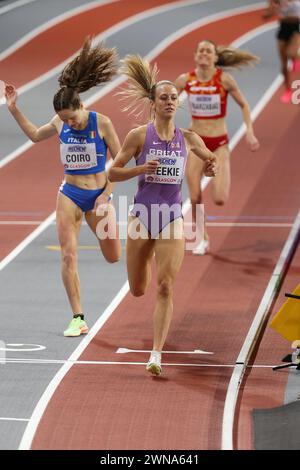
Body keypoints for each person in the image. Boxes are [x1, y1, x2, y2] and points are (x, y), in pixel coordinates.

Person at [108, 55, 217, 376]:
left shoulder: (189, 138)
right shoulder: (138, 136)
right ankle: (151, 338)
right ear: (153, 104)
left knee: (166, 286)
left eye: (174, 98)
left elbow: (211, 159)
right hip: (142, 217)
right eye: (164, 98)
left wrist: (213, 164)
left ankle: (156, 354)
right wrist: (140, 168)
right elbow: (113, 174)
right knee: (138, 288)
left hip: (171, 217)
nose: (170, 102)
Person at [5, 37, 122, 337]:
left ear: (82, 105)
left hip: (99, 196)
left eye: (74, 118)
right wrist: (14, 108)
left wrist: (106, 198)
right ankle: (78, 317)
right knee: (68, 255)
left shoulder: (102, 123)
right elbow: (34, 135)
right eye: (66, 121)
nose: (73, 124)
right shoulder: (60, 123)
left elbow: (119, 165)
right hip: (69, 194)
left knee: (114, 256)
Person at [174, 40, 260, 255]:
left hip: (218, 144)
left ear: (214, 57)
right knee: (194, 196)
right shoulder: (186, 80)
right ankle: (203, 237)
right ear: (195, 56)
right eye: (200, 50)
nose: (204, 53)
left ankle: (209, 170)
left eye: (208, 51)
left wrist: (249, 131)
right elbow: (165, 101)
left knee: (220, 199)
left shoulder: (224, 80)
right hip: (196, 143)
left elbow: (244, 105)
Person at [263, 0, 300, 102]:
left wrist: (285, 17)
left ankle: (295, 61)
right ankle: (288, 90)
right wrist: (274, 9)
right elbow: (265, 16)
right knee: (284, 64)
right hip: (283, 31)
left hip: (296, 29)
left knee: (292, 53)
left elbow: (296, 18)